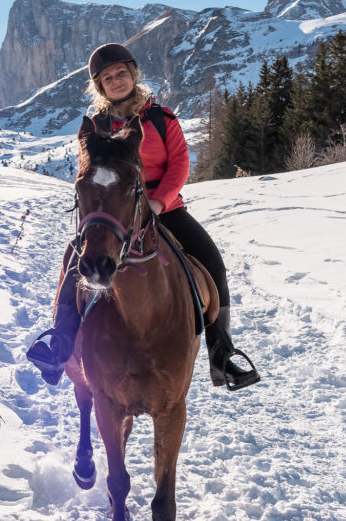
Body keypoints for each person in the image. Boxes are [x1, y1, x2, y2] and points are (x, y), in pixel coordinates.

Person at [26, 42, 260, 392]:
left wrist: (158, 203)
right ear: (100, 86)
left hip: (163, 209)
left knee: (213, 264)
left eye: (121, 73)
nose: (116, 80)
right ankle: (59, 344)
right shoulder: (96, 126)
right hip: (114, 212)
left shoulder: (162, 119)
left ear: (133, 75)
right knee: (75, 260)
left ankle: (221, 355)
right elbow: (87, 170)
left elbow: (180, 165)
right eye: (107, 77)